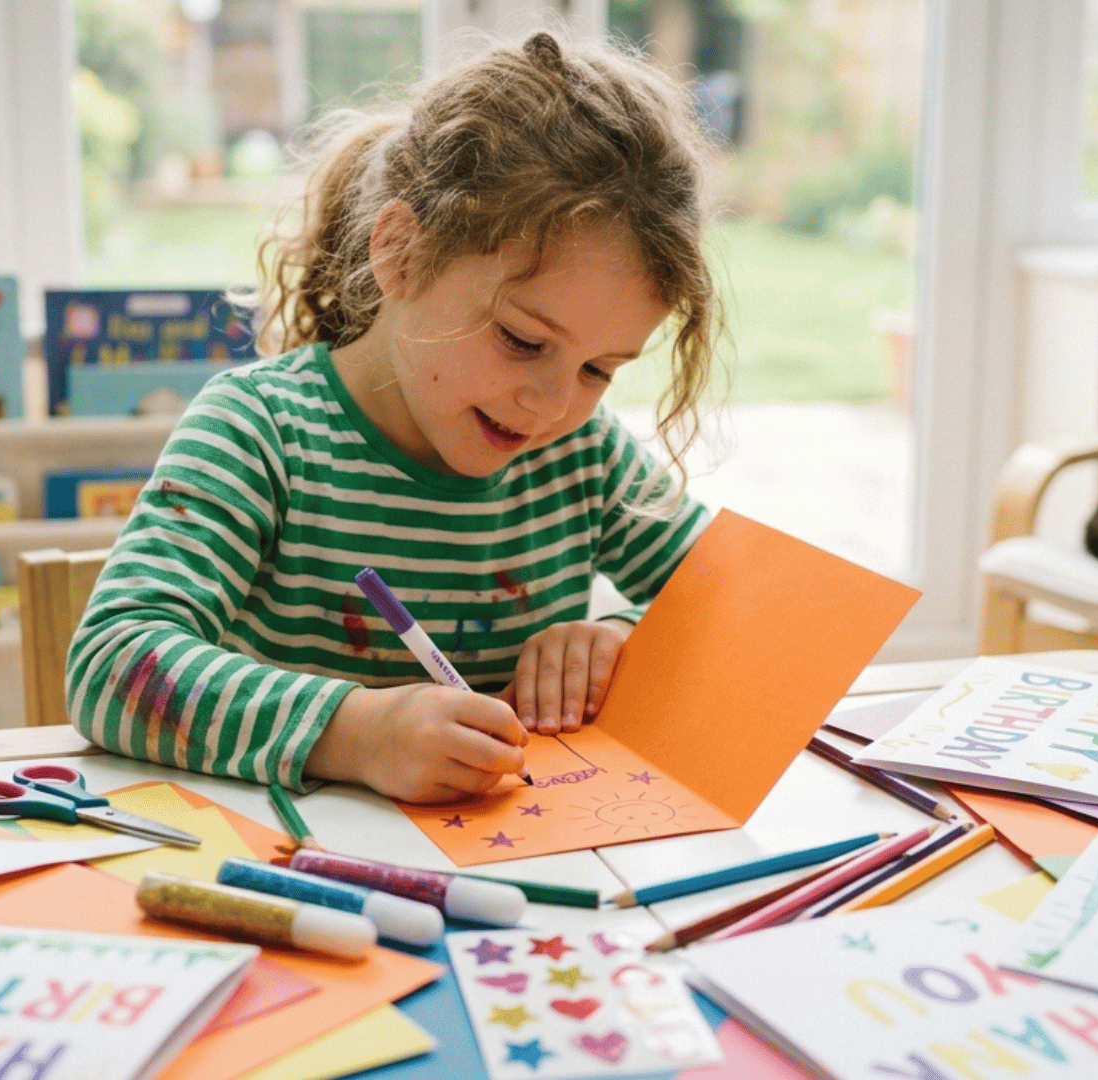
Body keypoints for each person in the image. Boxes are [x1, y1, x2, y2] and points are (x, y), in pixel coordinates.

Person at [67, 31, 723, 804]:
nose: (552, 405)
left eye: (598, 370)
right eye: (522, 340)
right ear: (400, 252)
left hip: (521, 881)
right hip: (297, 884)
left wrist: (620, 641)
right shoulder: (261, 433)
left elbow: (749, 605)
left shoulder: (580, 455)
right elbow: (114, 662)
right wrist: (360, 733)